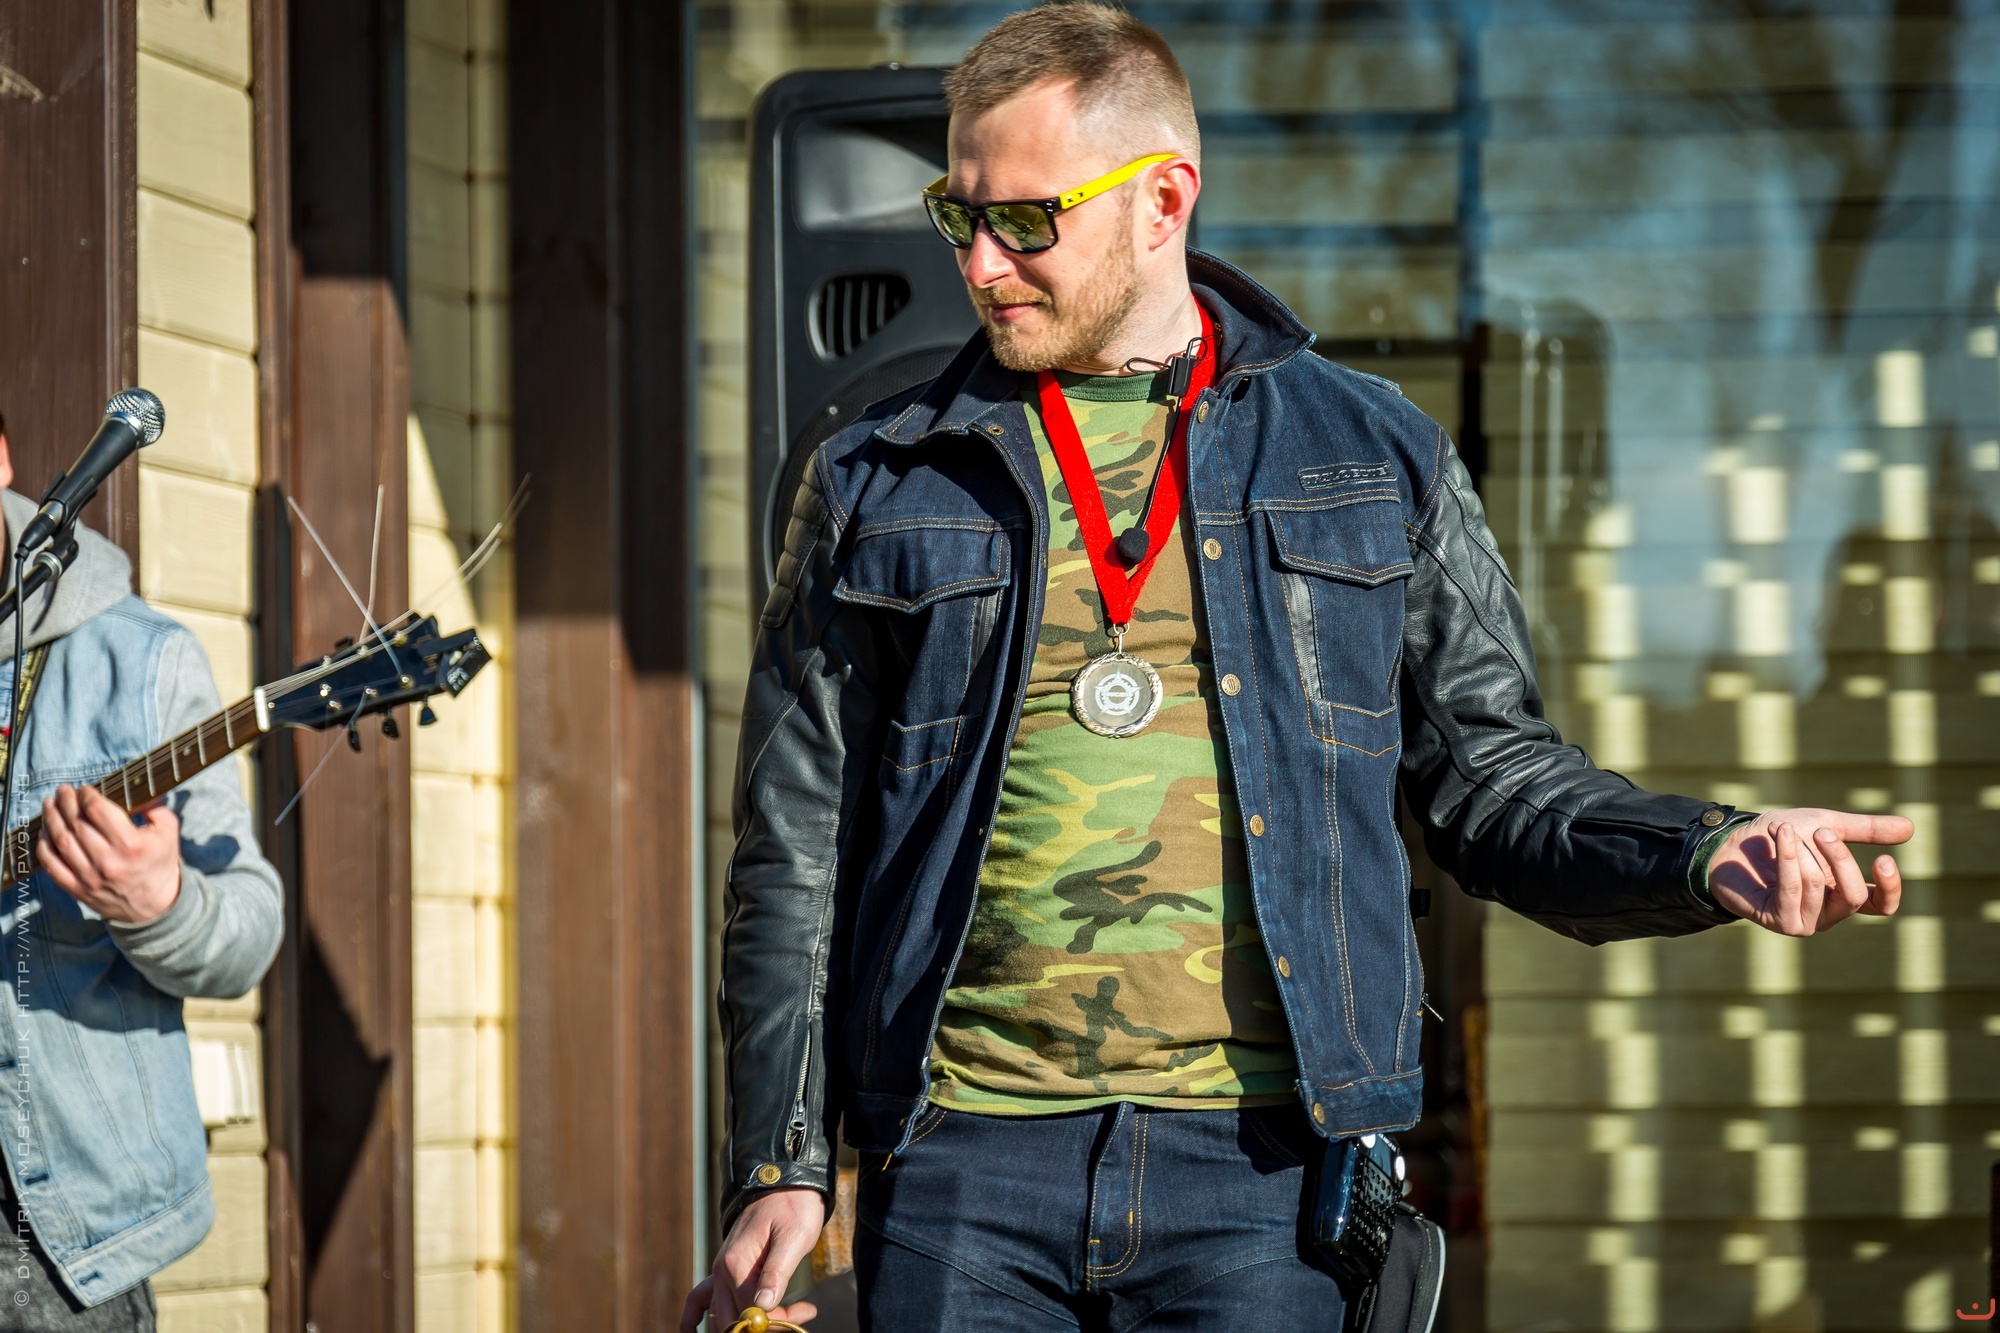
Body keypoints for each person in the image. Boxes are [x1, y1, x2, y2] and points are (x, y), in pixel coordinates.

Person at [684, 6, 1913, 1329]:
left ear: (1163, 199)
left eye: (1026, 221)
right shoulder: (877, 476)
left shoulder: (1373, 455)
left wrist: (1700, 848)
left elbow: (1495, 785)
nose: (983, 264)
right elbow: (793, 849)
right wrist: (780, 1164)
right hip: (964, 1170)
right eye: (959, 216)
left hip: (1263, 1179)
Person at [0, 411, 284, 1330]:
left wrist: (160, 904)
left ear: (1, 458)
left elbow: (249, 929)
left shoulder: (143, 662)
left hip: (53, 1242)